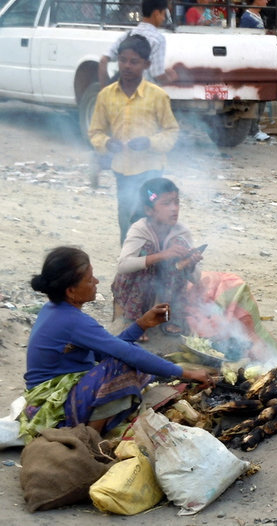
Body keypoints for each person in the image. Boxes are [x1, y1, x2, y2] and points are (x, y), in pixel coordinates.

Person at [20, 246, 213, 440]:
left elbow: (110, 348)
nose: (96, 282)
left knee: (129, 357)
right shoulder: (72, 321)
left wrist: (141, 324)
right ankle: (92, 437)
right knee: (122, 365)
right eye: (89, 279)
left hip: (47, 400)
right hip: (52, 409)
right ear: (71, 291)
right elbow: (123, 354)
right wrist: (186, 372)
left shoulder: (55, 309)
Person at [89, 35, 180, 245]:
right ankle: (129, 270)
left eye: (134, 62)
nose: (127, 66)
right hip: (122, 171)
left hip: (151, 171)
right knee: (126, 221)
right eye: (122, 60)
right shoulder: (106, 96)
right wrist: (106, 143)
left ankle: (153, 269)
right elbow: (96, 132)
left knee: (147, 220)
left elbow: (171, 132)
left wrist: (149, 142)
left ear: (146, 64)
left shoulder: (157, 96)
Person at [112, 178, 203, 338]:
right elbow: (123, 265)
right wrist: (162, 256)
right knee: (147, 251)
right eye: (166, 204)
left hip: (164, 289)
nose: (174, 209)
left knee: (178, 247)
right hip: (136, 289)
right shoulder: (140, 228)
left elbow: (195, 278)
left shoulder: (182, 233)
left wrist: (190, 263)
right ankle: (133, 319)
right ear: (149, 210)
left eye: (176, 202)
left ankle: (172, 317)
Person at [98, 0, 177, 87]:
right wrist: (170, 78)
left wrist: (104, 90)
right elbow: (157, 74)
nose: (163, 19)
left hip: (124, 93)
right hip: (144, 96)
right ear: (156, 13)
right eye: (164, 14)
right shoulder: (158, 39)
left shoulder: (128, 34)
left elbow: (103, 61)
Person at [240, 0, 272, 141]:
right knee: (256, 95)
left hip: (259, 60)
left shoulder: (257, 16)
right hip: (252, 62)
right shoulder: (247, 18)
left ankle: (254, 128)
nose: (267, 1)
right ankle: (253, 129)